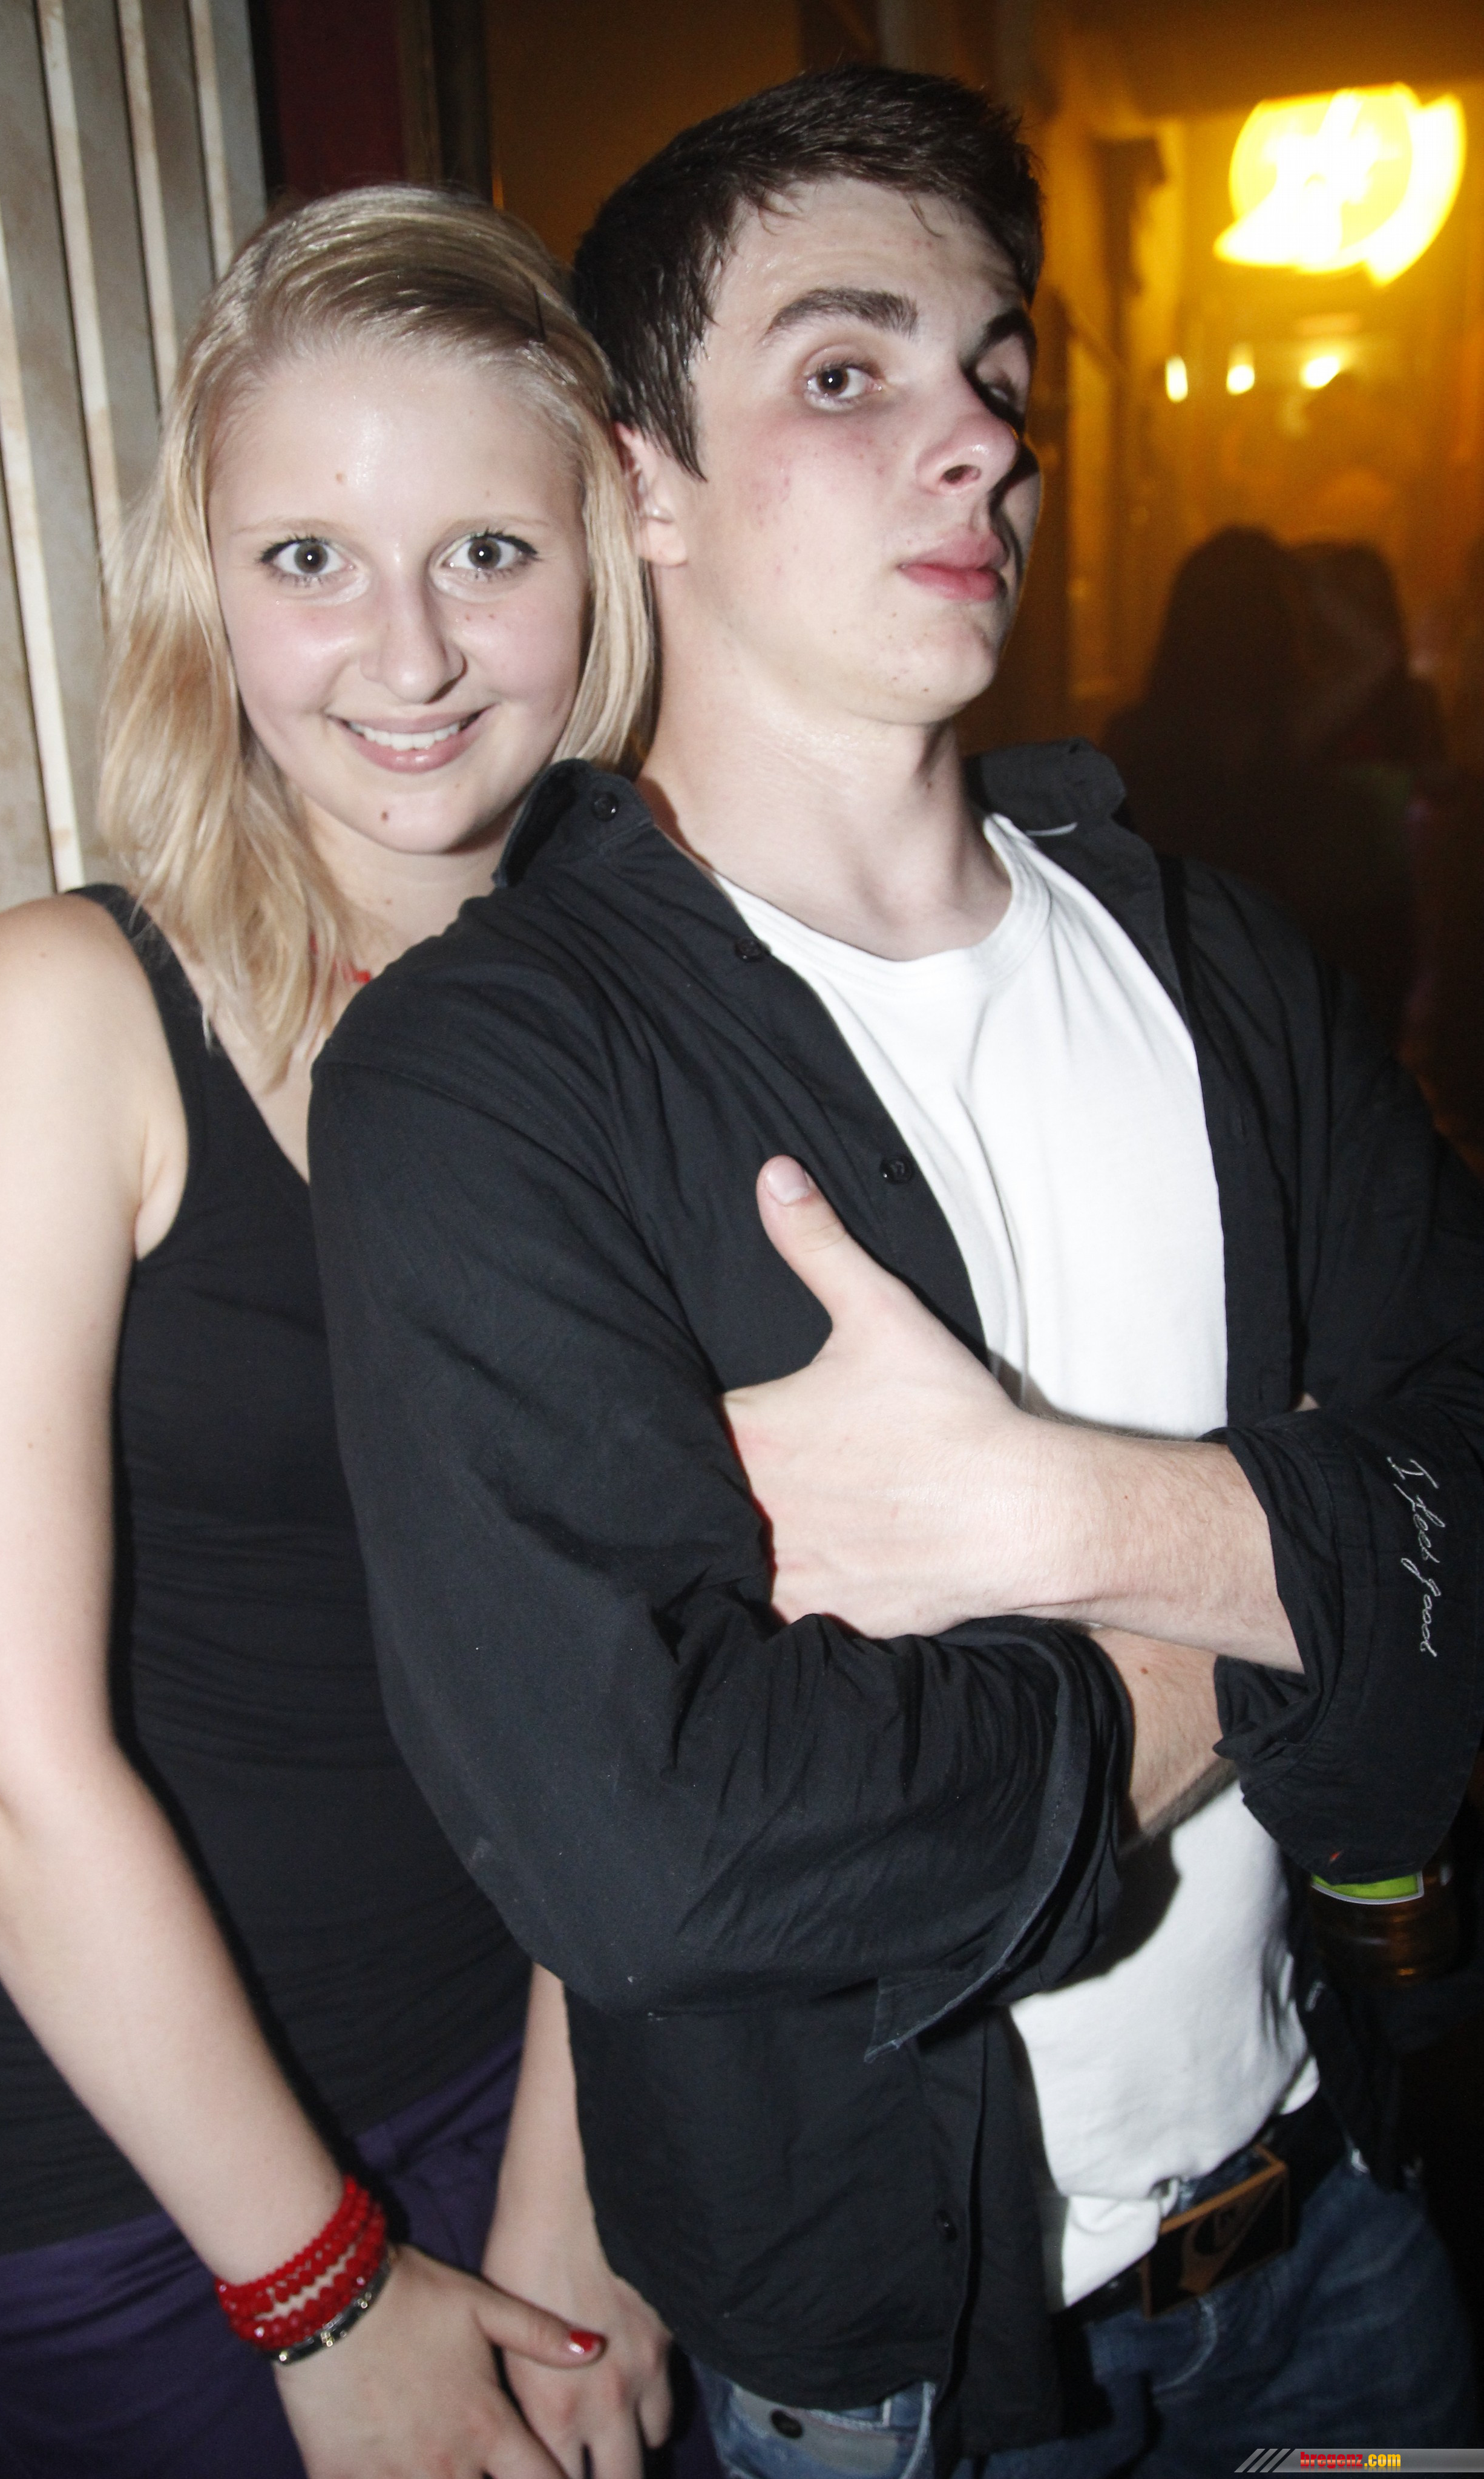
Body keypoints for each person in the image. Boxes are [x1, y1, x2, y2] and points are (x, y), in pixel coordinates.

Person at [308, 68, 1484, 2475]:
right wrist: (1285, 1601)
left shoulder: (1215, 964)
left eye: (993, 373)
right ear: (640, 478)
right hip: (909, 2377)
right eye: (844, 373)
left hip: (1341, 2223)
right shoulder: (488, 1069)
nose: (977, 444)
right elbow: (649, 1844)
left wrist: (1070, 1515)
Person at [0, 187, 673, 2479]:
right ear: (205, 594)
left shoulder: (653, 1024)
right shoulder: (72, 1009)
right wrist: (322, 2293)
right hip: (110, 2154)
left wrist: (578, 2186)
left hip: (521, 2042)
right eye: (308, 557)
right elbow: (1, 1756)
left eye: (485, 552)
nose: (405, 651)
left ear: (602, 567)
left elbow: (648, 1671)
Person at [1103, 527, 1418, 1043]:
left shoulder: (1133, 736)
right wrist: (1302, 577)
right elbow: (1375, 656)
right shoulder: (1280, 732)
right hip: (1273, 967)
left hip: (1171, 972)